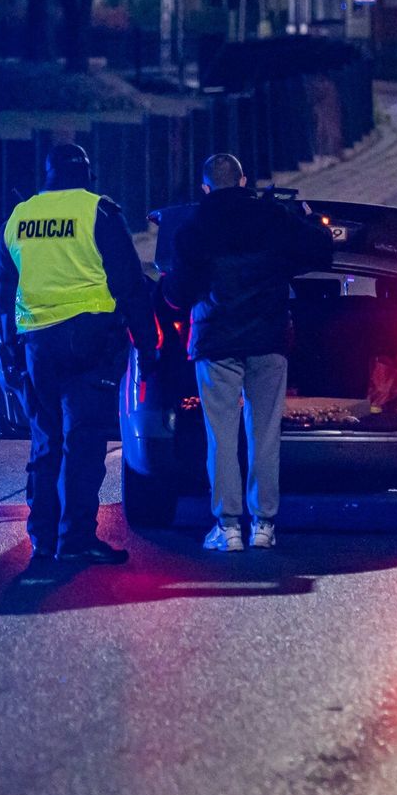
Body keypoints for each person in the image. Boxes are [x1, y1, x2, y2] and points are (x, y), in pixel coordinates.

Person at [0, 143, 158, 565]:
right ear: (87, 173)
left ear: (47, 174)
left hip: (36, 346)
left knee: (45, 442)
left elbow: (3, 290)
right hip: (90, 342)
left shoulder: (20, 216)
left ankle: (42, 539)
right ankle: (76, 540)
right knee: (83, 443)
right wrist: (147, 345)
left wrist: (9, 350)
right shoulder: (97, 211)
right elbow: (129, 283)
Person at [163, 154, 332, 552]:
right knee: (265, 434)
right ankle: (264, 525)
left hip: (215, 342)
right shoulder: (272, 217)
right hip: (268, 339)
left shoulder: (193, 229)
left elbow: (176, 296)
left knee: (220, 437)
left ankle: (227, 527)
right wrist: (307, 215)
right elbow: (321, 250)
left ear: (205, 188)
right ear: (242, 181)